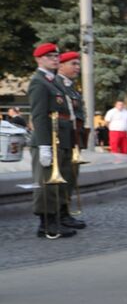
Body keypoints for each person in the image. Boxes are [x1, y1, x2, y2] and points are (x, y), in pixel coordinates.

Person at [27, 43, 75, 239]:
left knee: (57, 182)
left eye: (56, 56)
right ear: (39, 59)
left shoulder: (53, 81)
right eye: (49, 56)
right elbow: (38, 116)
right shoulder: (39, 82)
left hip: (59, 138)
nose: (55, 59)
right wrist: (45, 145)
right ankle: (46, 223)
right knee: (46, 183)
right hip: (47, 140)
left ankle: (56, 219)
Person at [54, 51, 87, 229]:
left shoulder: (71, 87)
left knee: (71, 176)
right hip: (62, 139)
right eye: (73, 64)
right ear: (61, 66)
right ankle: (59, 213)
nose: (77, 67)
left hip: (74, 137)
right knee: (63, 176)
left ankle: (65, 211)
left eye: (78, 64)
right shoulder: (56, 84)